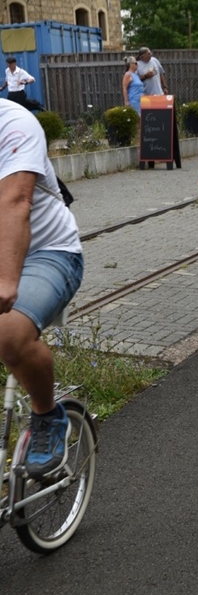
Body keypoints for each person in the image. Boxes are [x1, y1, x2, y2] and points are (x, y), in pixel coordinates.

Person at [0, 100, 84, 478]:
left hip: (49, 253)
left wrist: (6, 280)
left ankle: (47, 414)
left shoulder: (14, 123)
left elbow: (16, 200)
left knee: (8, 334)